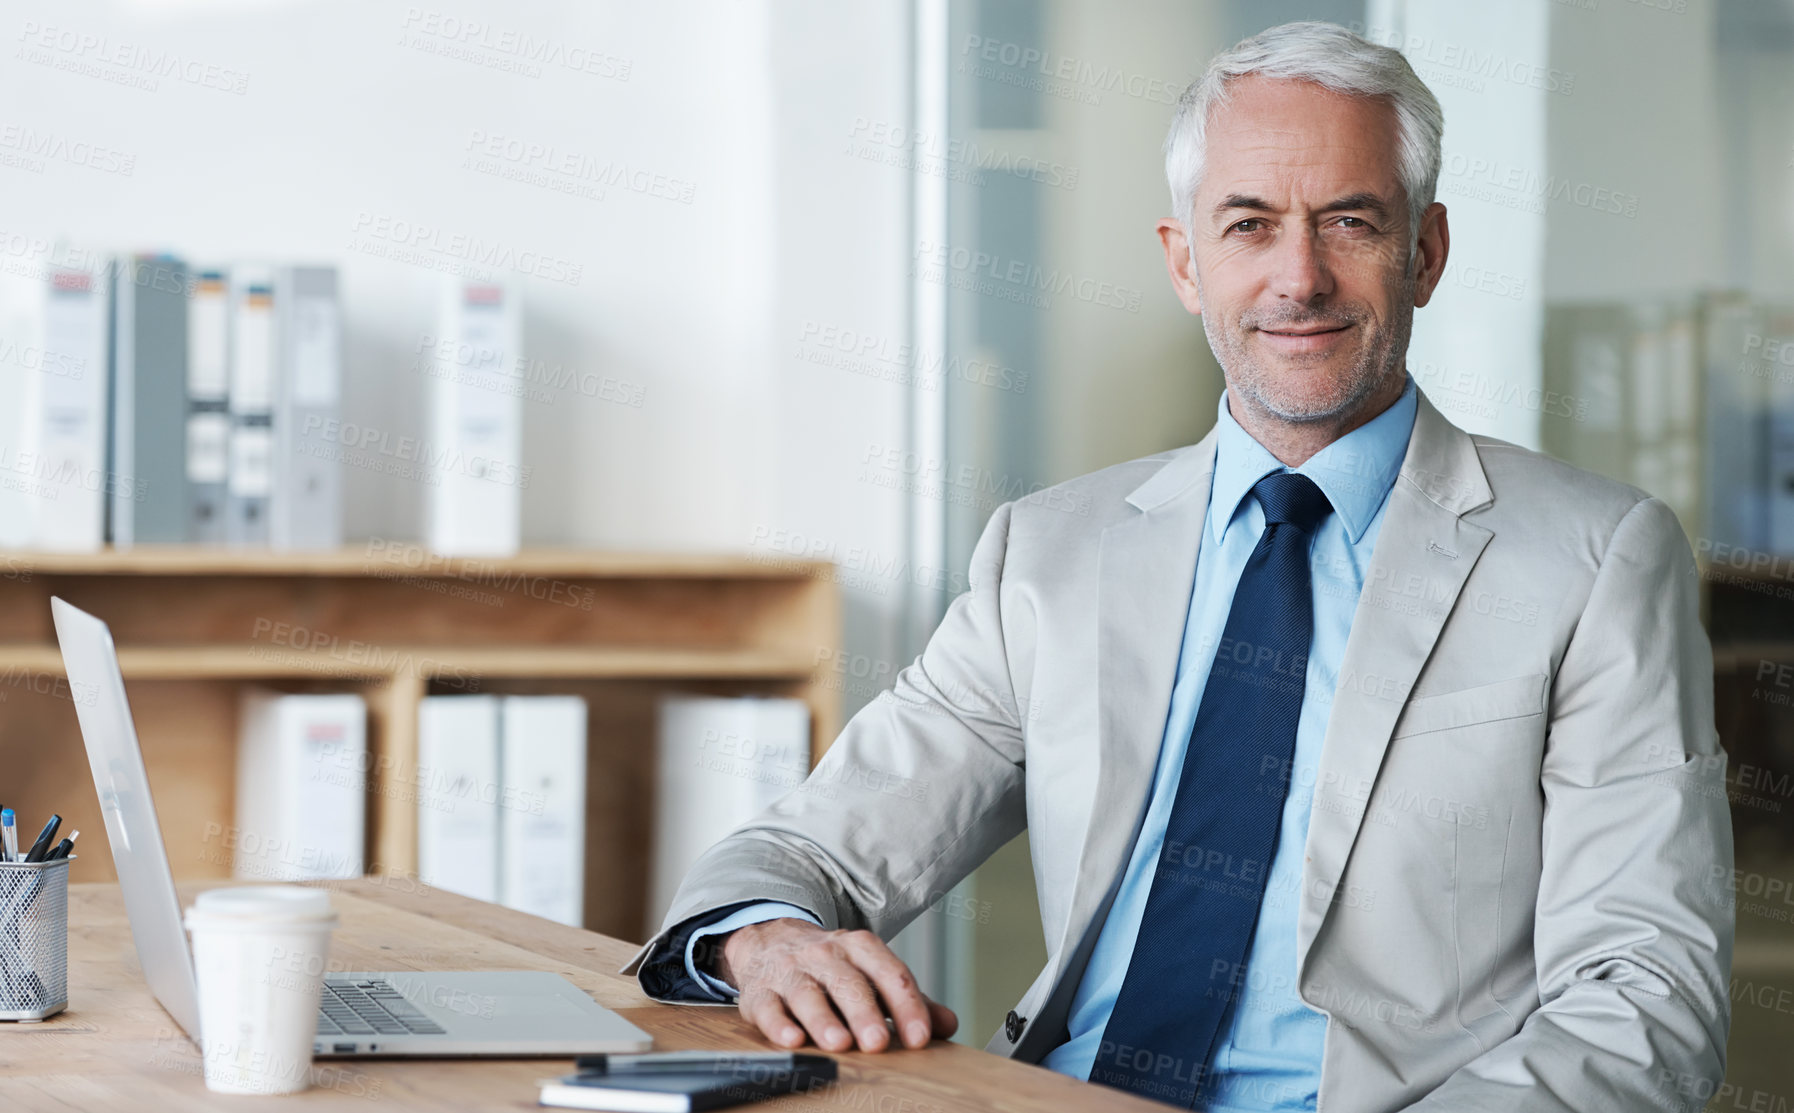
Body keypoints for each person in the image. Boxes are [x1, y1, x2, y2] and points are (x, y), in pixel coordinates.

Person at [623, 21, 1732, 1113]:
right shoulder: (1048, 553)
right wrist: (762, 938)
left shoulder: (1596, 561)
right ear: (1186, 263)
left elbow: (1643, 993)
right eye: (1249, 226)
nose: (1299, 279)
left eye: (1349, 222)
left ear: (1426, 253)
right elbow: (807, 847)